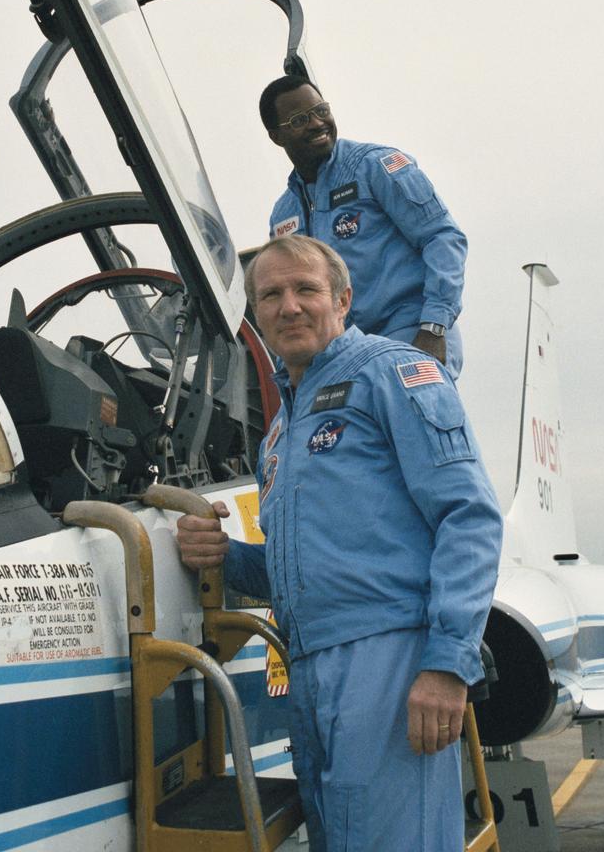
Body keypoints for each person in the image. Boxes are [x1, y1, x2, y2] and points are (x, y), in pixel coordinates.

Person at [176, 235, 502, 852]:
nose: (289, 307)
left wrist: (445, 665)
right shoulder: (279, 434)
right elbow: (303, 570)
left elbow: (469, 516)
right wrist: (224, 555)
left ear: (343, 299)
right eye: (271, 294)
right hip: (310, 668)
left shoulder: (394, 373)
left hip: (391, 661)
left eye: (306, 289)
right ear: (256, 315)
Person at [259, 74, 467, 378]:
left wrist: (434, 326)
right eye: (300, 119)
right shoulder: (284, 213)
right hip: (344, 358)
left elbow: (442, 237)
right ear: (277, 136)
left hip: (410, 335)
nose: (317, 123)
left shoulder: (376, 167)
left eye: (321, 111)